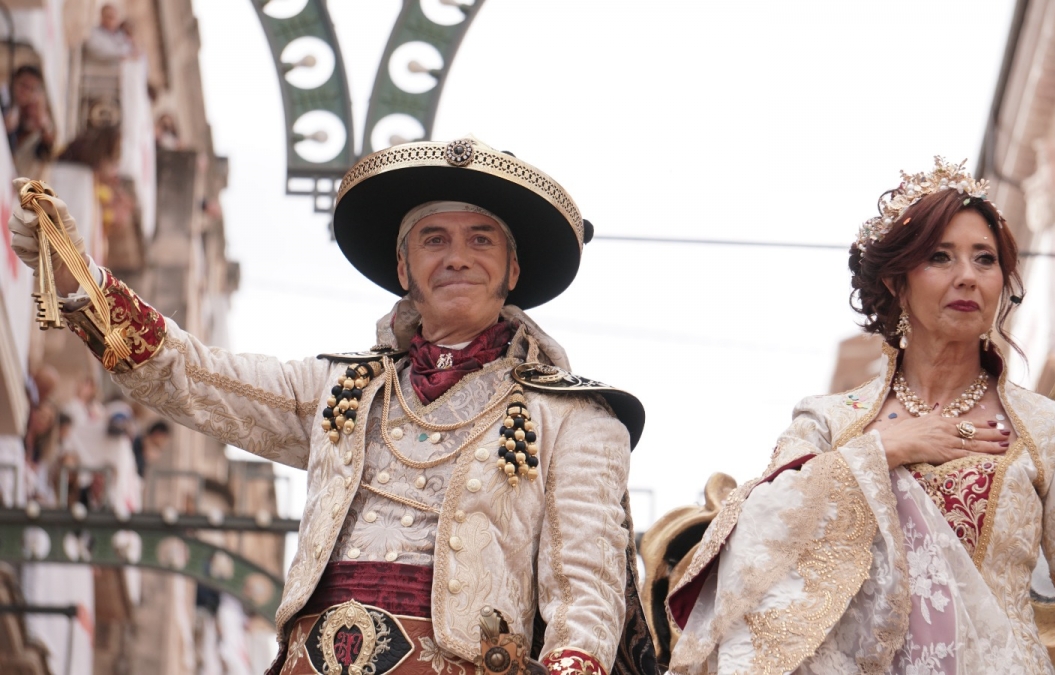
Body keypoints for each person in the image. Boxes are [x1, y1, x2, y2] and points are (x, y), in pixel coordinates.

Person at [7, 138, 657, 675]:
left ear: (513, 268)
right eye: (434, 239)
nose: (457, 256)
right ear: (404, 266)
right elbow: (193, 376)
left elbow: (585, 594)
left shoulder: (579, 419)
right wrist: (81, 282)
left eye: (481, 240)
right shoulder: (340, 390)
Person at [665, 158, 1055, 674]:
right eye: (941, 257)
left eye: (985, 259)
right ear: (897, 282)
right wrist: (885, 450)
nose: (968, 276)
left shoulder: (1048, 430)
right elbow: (755, 539)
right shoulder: (829, 423)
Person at [4, 65, 56, 179]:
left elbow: (46, 151)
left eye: (31, 89)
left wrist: (43, 126)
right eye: (23, 85)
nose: (25, 92)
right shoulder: (5, 103)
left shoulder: (33, 131)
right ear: (13, 81)